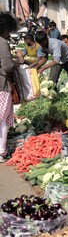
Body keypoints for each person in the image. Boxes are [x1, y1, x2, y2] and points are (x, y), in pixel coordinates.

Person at [0, 13, 19, 162]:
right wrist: (17, 63)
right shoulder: (2, 42)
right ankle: (1, 152)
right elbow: (7, 67)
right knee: (3, 119)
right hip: (1, 86)